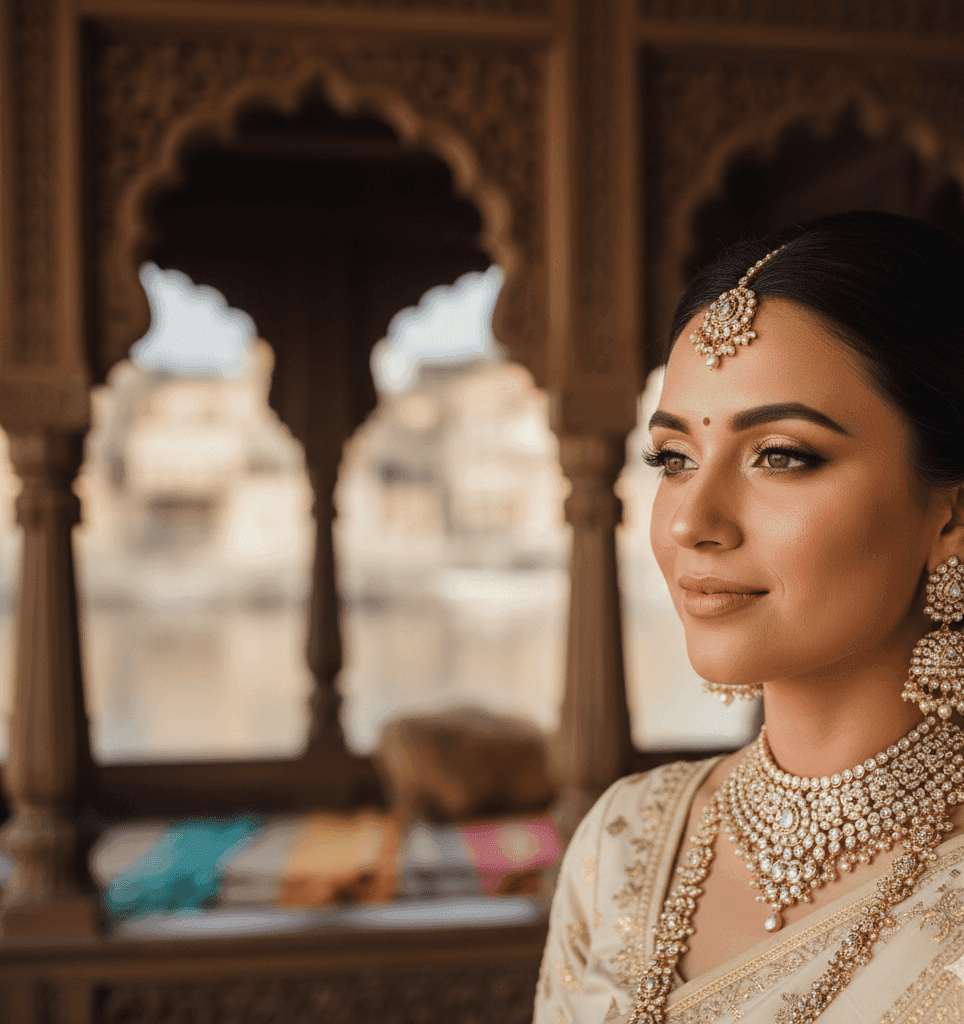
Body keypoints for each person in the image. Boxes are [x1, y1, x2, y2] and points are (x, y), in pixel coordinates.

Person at [532, 211, 964, 1024]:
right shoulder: (624, 843)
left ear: (950, 515)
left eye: (780, 455)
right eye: (674, 459)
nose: (694, 520)